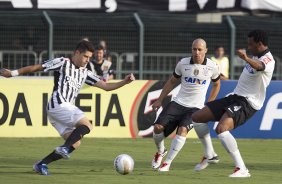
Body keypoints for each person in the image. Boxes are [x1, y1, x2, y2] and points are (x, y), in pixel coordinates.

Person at [0, 40, 135, 175]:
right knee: (87, 125)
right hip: (58, 104)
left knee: (75, 143)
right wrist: (13, 73)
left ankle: (41, 164)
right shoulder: (63, 62)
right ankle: (63, 148)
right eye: (85, 57)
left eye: (89, 58)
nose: (87, 60)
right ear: (77, 53)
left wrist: (125, 82)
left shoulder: (85, 72)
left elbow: (106, 86)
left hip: (57, 112)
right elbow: (37, 67)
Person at [192, 30, 275, 177]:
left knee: (222, 129)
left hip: (248, 102)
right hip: (234, 96)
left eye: (251, 44)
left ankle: (241, 168)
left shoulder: (268, 59)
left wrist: (245, 58)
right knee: (197, 117)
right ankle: (209, 154)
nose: (248, 47)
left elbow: (259, 66)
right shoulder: (255, 55)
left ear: (260, 44)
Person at [151, 38, 221, 172]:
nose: (197, 52)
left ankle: (167, 163)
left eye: (200, 49)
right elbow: (172, 81)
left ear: (205, 51)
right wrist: (160, 99)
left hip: (195, 108)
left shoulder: (212, 66)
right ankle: (161, 151)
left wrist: (210, 103)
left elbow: (217, 84)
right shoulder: (183, 63)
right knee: (158, 128)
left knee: (182, 131)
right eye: (194, 49)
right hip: (178, 103)